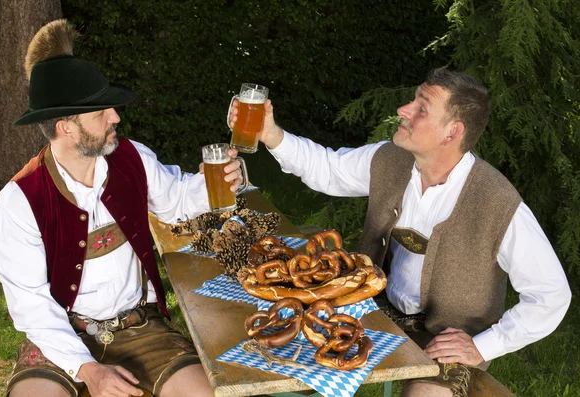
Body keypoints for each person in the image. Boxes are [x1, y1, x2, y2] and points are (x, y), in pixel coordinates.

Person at [229, 68, 572, 397]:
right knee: (269, 359)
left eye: (421, 108)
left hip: (445, 338)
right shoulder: (391, 159)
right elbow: (327, 169)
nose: (403, 110)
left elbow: (551, 294)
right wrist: (271, 134)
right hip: (373, 312)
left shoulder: (497, 202)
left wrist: (483, 345)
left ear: (452, 133)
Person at [0, 20, 243, 397]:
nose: (116, 117)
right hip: (59, 338)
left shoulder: (131, 158)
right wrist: (88, 368)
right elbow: (33, 308)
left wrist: (212, 184)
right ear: (66, 128)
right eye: (100, 113)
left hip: (141, 330)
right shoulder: (18, 203)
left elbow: (175, 201)